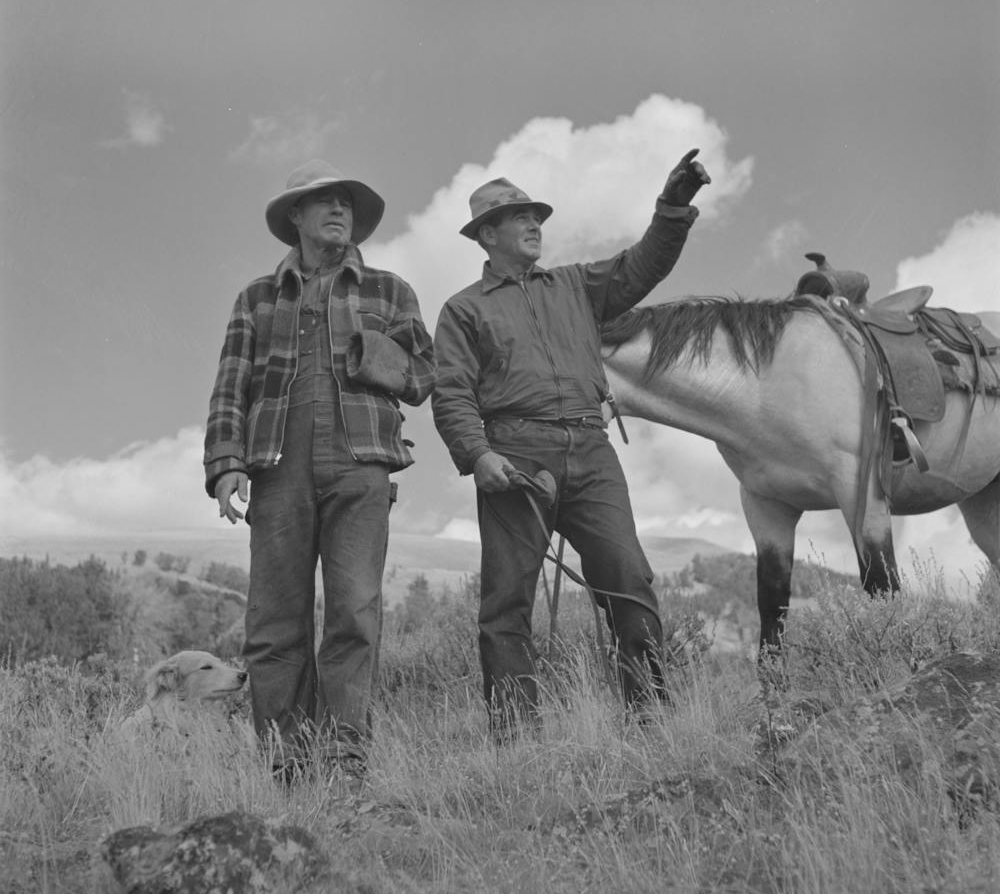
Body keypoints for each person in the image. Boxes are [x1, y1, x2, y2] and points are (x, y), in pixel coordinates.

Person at [432, 149, 710, 739]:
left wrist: (673, 206)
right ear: (487, 234)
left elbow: (644, 264)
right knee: (507, 602)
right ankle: (516, 736)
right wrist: (478, 455)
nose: (534, 224)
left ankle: (651, 717)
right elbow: (451, 392)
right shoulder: (462, 310)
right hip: (515, 455)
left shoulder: (577, 285)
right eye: (519, 217)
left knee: (629, 577)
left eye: (536, 215)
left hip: (591, 447)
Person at [204, 159, 435, 780]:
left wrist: (371, 353)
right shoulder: (255, 297)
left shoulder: (389, 291)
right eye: (324, 201)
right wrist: (227, 465)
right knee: (274, 621)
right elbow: (230, 387)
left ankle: (345, 759)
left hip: (362, 466)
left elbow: (422, 378)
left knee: (354, 613)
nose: (339, 211)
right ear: (296, 218)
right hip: (275, 469)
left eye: (346, 203)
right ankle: (284, 763)